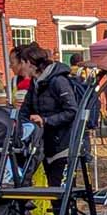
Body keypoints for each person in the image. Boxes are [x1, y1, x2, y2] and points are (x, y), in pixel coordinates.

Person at [18, 42, 78, 193]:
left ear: (29, 63)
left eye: (21, 63)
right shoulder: (35, 83)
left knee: (62, 195)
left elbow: (72, 111)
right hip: (47, 145)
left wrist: (45, 120)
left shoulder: (58, 81)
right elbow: (25, 109)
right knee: (53, 193)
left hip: (64, 146)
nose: (19, 67)